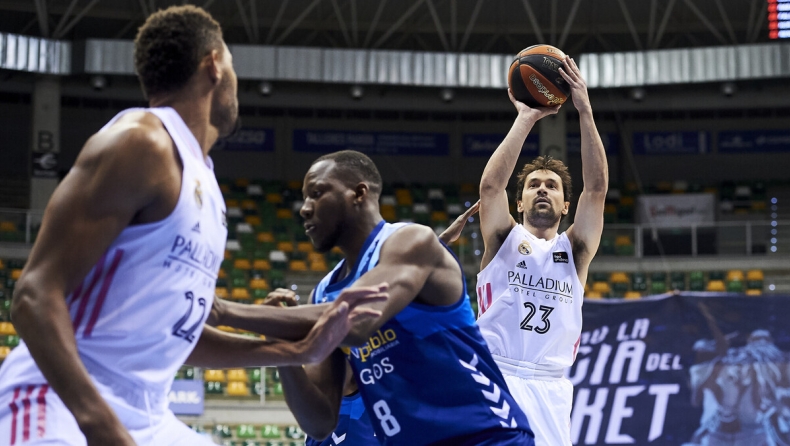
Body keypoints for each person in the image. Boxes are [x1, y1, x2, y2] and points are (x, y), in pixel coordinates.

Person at [0, 6, 383, 446]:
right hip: (61, 403)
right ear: (214, 65)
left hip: (146, 413)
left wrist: (295, 351)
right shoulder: (142, 141)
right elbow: (32, 297)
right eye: (233, 66)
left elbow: (177, 335)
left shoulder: (204, 183)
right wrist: (100, 425)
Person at [210, 150, 534, 445]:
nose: (305, 209)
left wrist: (225, 312)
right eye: (304, 198)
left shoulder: (410, 240)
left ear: (359, 193)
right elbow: (319, 423)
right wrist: (282, 347)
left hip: (486, 437)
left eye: (317, 193)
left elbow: (354, 323)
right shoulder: (324, 292)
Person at [474, 55, 608, 446]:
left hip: (551, 387)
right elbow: (490, 189)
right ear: (519, 202)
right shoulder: (503, 238)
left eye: (552, 186)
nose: (543, 189)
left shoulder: (576, 250)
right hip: (495, 375)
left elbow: (596, 190)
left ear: (566, 206)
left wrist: (584, 110)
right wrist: (526, 118)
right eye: (533, 185)